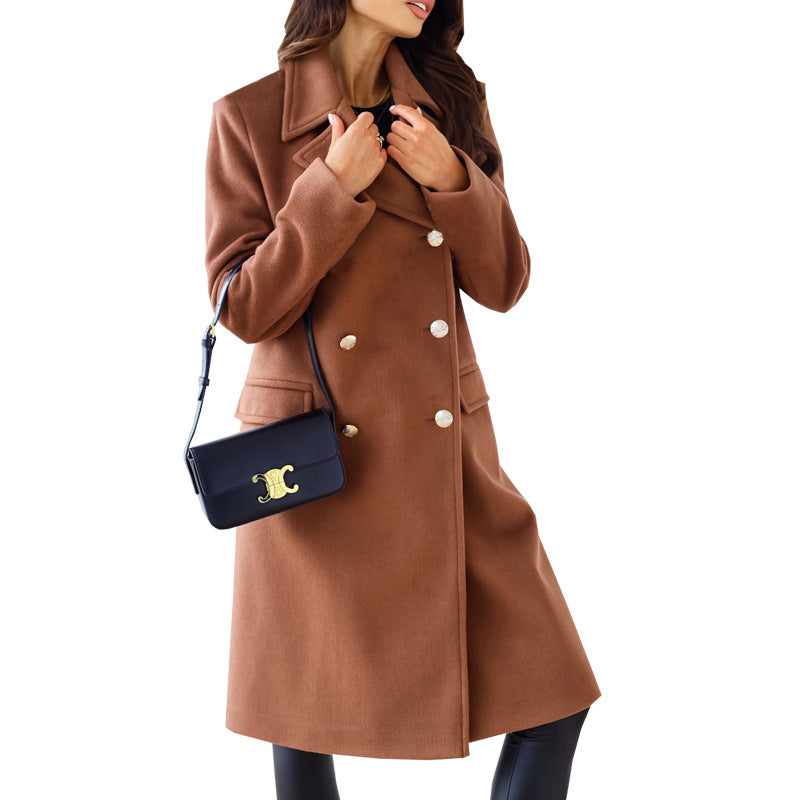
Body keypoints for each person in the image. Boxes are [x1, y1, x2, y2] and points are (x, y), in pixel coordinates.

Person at [203, 1, 601, 797]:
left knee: (555, 695)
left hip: (446, 455)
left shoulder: (451, 103)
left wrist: (453, 180)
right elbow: (240, 308)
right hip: (316, 458)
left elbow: (504, 282)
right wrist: (329, 188)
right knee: (302, 718)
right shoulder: (247, 116)